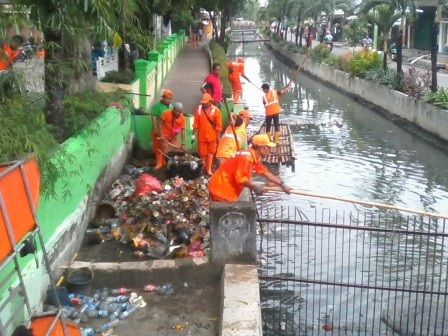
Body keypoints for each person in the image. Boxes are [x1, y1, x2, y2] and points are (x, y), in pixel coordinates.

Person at [208, 134, 291, 202]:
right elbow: (240, 179)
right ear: (262, 148)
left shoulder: (252, 156)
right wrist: (254, 187)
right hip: (221, 190)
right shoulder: (247, 158)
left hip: (223, 188)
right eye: (268, 148)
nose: (269, 151)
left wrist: (282, 184)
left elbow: (266, 173)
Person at [192, 93, 222, 175]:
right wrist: (192, 135)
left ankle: (208, 169)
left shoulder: (216, 111)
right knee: (202, 153)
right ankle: (203, 168)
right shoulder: (198, 109)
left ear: (210, 101)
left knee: (211, 153)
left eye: (205, 102)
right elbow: (195, 124)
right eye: (203, 102)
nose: (203, 103)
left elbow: (219, 126)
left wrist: (218, 138)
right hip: (201, 136)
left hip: (212, 136)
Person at [151, 89, 173, 169]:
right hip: (158, 130)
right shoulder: (156, 107)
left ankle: (163, 161)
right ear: (162, 98)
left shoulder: (171, 106)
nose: (169, 100)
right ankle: (159, 163)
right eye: (167, 98)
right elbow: (153, 117)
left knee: (165, 147)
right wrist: (155, 128)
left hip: (167, 131)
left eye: (170, 99)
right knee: (158, 146)